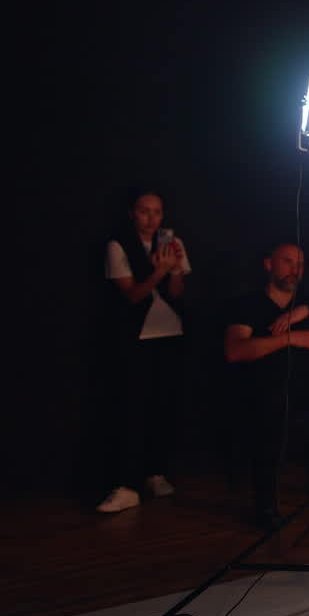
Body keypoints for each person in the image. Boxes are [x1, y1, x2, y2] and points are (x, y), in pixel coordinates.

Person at [224, 242, 309, 529]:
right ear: (269, 264)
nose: (294, 270)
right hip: (264, 391)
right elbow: (236, 350)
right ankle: (267, 506)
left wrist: (307, 314)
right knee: (271, 411)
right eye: (287, 262)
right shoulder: (248, 304)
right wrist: (289, 339)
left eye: (300, 264)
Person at [98, 190, 192, 513]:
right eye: (144, 211)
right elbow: (133, 295)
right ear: (132, 213)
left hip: (170, 333)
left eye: (157, 212)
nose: (151, 219)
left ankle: (156, 473)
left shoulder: (172, 245)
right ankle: (126, 484)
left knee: (163, 406)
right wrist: (159, 271)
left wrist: (175, 269)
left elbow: (178, 293)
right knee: (131, 409)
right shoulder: (117, 246)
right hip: (135, 338)